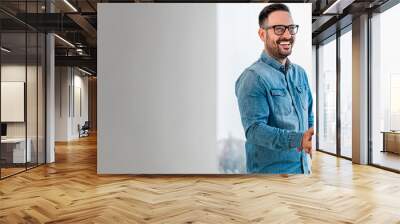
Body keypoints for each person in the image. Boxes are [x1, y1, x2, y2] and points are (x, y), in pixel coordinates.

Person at [235, 3, 314, 174]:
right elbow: (254, 130)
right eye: (279, 29)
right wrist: (298, 140)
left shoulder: (300, 74)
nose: (287, 35)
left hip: (303, 170)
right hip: (270, 179)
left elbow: (308, 115)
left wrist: (309, 137)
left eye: (291, 28)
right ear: (262, 34)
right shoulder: (253, 77)